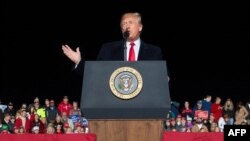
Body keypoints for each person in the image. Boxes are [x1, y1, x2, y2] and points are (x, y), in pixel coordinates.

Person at [62, 12, 163, 74]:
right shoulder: (108, 49)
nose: (126, 26)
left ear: (140, 27)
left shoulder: (154, 51)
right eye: (123, 24)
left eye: (130, 22)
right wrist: (79, 62)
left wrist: (165, 79)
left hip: (143, 104)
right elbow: (96, 73)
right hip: (115, 104)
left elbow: (162, 76)